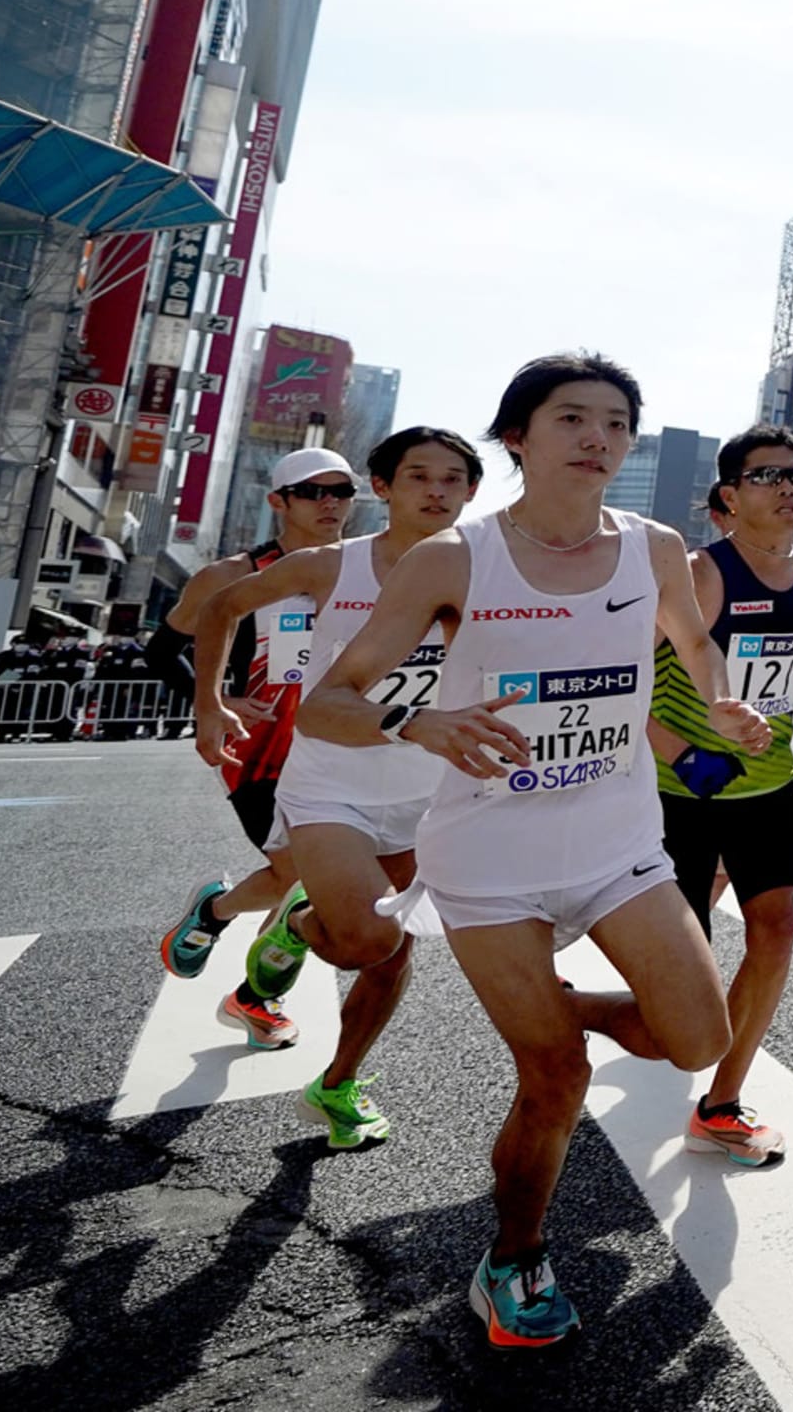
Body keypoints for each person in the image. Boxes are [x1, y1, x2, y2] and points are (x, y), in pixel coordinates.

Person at [300, 353, 762, 1350]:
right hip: (487, 857)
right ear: (518, 437)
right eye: (571, 418)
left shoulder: (655, 548)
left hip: (616, 839)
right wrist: (418, 724)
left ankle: (567, 1011)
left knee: (698, 1040)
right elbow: (330, 700)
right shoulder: (453, 559)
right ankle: (512, 1257)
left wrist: (718, 704)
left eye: (615, 423)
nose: (597, 437)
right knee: (552, 1077)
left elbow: (691, 642)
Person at [188, 428, 486, 1149]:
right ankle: (297, 922)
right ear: (382, 489)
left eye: (454, 479)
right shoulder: (331, 567)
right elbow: (220, 608)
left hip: (428, 794)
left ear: (473, 492)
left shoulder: (488, 574)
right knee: (360, 941)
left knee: (394, 949)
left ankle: (338, 1082)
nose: (438, 491)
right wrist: (210, 703)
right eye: (419, 476)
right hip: (331, 785)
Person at [646, 426, 793, 1170]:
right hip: (680, 793)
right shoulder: (700, 573)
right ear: (730, 496)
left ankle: (722, 1102)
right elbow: (624, 681)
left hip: (765, 787)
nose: (788, 487)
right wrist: (681, 753)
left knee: (778, 928)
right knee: (676, 988)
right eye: (767, 476)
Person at [152, 447, 358, 1051]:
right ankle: (254, 995)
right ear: (279, 501)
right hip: (262, 748)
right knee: (300, 874)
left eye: (340, 492)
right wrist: (213, 700)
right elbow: (161, 651)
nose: (329, 503)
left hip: (341, 744)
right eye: (312, 492)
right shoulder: (229, 576)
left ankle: (216, 916)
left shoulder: (366, 570)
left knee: (305, 877)